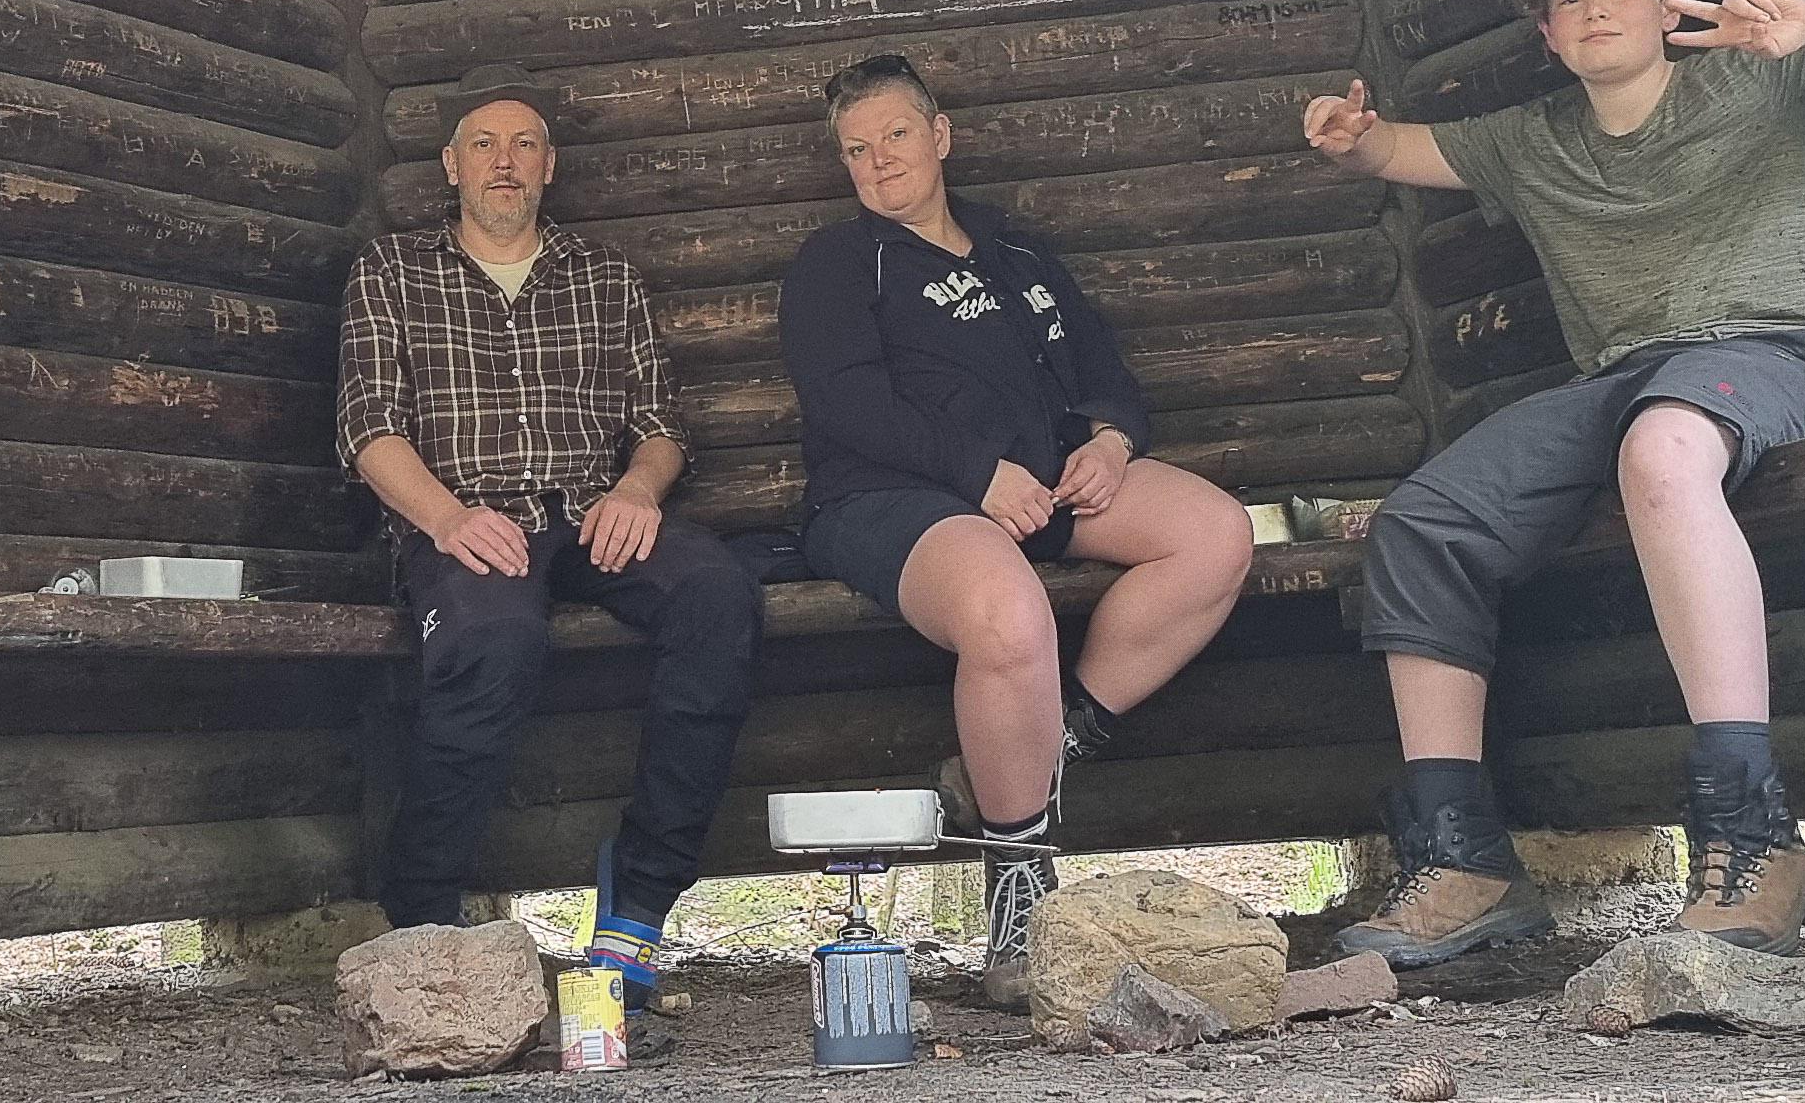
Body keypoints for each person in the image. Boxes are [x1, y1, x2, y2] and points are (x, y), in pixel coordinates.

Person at [1302, 0, 1805, 966]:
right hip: (1619, 380)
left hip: (1785, 351)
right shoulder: (1533, 141)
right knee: (1422, 522)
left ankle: (1755, 840)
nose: (1595, 10)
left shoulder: (1770, 80)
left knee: (1662, 449)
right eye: (1569, 2)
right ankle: (1464, 863)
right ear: (1548, 36)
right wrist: (1351, 140)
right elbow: (1395, 150)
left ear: (1667, 7)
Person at [778, 53, 1257, 1004]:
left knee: (1214, 534)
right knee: (1008, 611)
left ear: (941, 135)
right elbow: (847, 406)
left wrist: (1112, 441)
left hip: (1033, 490)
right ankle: (1019, 889)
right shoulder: (839, 262)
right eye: (857, 150)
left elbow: (1103, 370)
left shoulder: (1017, 252)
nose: (879, 161)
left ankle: (1054, 742)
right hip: (888, 501)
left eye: (896, 135)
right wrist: (977, 474)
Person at [339, 63, 761, 1011]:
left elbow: (659, 427)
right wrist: (448, 518)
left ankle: (639, 902)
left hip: (590, 515)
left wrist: (638, 490)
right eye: (484, 144)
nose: (505, 160)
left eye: (524, 144)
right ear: (451, 165)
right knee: (495, 638)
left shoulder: (605, 277)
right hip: (466, 521)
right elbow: (369, 429)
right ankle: (421, 922)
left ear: (549, 164)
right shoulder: (392, 271)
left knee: (718, 595)